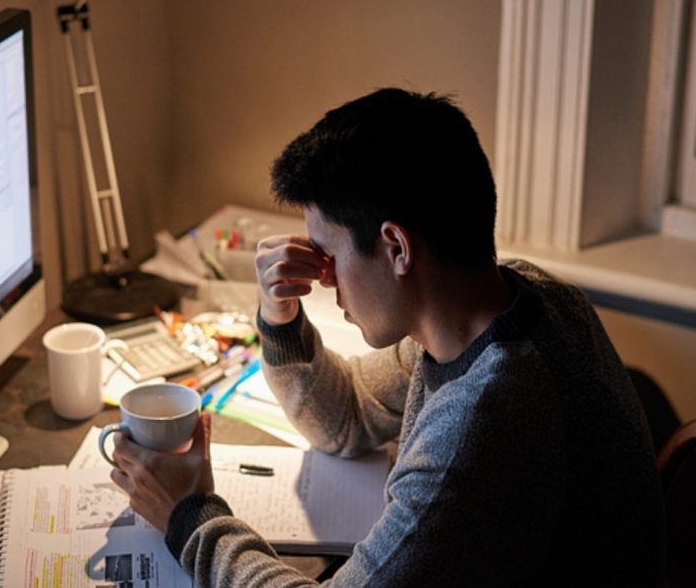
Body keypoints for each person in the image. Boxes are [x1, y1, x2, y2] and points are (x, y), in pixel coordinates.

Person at [109, 88, 664, 586]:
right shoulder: (506, 300)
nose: (322, 278)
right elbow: (347, 417)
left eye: (329, 252)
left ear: (397, 247)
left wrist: (191, 516)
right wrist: (279, 320)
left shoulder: (483, 421)